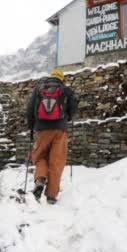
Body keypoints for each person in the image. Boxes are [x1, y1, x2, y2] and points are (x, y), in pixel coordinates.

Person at [25, 68, 78, 204]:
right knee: (56, 162)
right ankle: (51, 196)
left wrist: (31, 128)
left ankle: (40, 179)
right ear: (61, 78)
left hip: (42, 129)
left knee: (40, 157)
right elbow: (73, 109)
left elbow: (30, 110)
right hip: (60, 130)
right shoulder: (65, 90)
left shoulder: (38, 89)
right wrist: (67, 118)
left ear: (50, 77)